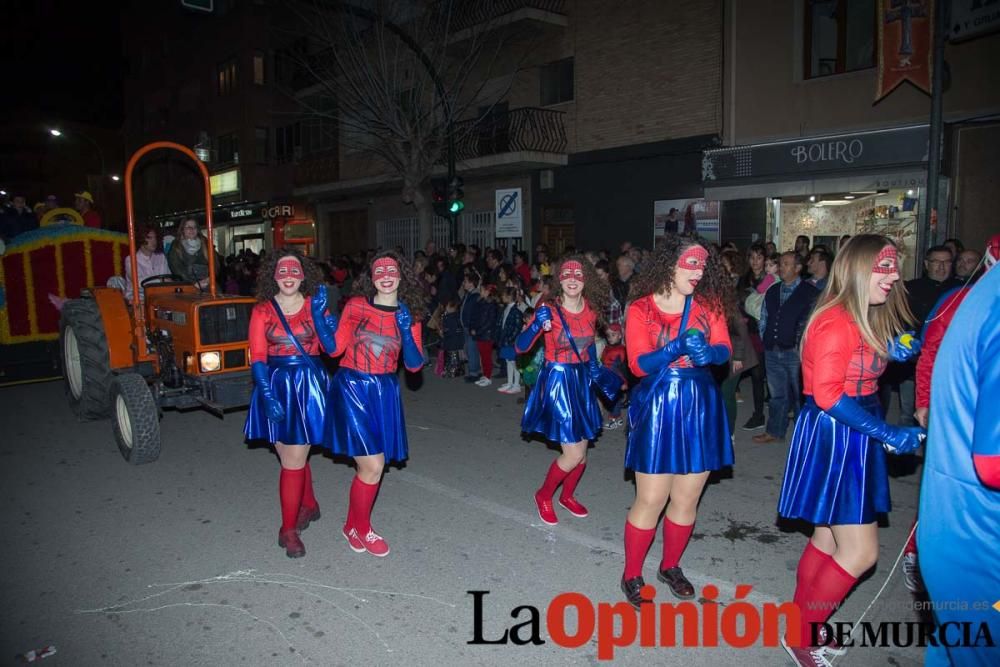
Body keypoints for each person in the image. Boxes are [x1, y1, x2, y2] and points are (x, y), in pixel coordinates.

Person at [776, 234, 925, 665]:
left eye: (894, 266)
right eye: (883, 267)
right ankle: (802, 633)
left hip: (851, 426)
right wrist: (886, 432)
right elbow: (825, 393)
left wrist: (893, 351)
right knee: (860, 552)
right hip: (837, 432)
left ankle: (805, 626)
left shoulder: (866, 313)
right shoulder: (836, 319)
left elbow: (857, 368)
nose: (894, 275)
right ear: (858, 269)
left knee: (826, 538)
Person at [620, 236, 733, 608]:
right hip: (658, 404)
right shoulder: (640, 308)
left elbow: (725, 352)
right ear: (670, 264)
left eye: (703, 265)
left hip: (699, 403)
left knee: (687, 497)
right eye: (691, 264)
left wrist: (709, 352)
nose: (698, 272)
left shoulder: (709, 305)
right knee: (651, 498)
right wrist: (672, 349)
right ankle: (632, 573)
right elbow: (637, 364)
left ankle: (670, 566)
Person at [917, 237, 1000, 667]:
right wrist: (925, 398)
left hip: (958, 524)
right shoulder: (971, 300)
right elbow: (994, 462)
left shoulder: (980, 294)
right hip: (980, 537)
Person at [311, 251, 426, 558]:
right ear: (372, 278)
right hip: (352, 387)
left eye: (392, 270)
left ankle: (351, 524)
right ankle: (363, 528)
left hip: (384, 391)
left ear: (401, 277)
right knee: (373, 465)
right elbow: (333, 349)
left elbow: (414, 366)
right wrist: (319, 319)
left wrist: (405, 331)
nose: (386, 275)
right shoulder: (357, 306)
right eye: (380, 270)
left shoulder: (409, 314)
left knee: (371, 468)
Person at [244, 249, 330, 558]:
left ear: (304, 275)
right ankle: (309, 504)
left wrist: (321, 317)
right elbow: (257, 355)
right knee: (289, 455)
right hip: (275, 384)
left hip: (307, 385)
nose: (289, 277)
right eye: (283, 271)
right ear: (273, 276)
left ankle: (288, 529)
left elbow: (331, 349)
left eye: (295, 271)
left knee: (293, 459)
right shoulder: (262, 310)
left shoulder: (314, 305)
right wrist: (266, 394)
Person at [516, 255, 609, 526]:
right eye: (566, 275)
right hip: (557, 380)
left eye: (577, 276)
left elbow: (589, 344)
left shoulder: (590, 309)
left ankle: (566, 495)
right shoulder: (549, 310)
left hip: (580, 381)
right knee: (573, 453)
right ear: (560, 280)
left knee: (583, 450)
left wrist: (595, 370)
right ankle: (543, 495)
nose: (572, 280)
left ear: (585, 281)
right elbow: (520, 348)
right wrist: (534, 324)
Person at [752, 252, 819, 444]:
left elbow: (812, 324)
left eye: (786, 264)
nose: (781, 267)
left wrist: (803, 348)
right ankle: (775, 431)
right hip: (773, 350)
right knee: (777, 395)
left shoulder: (810, 293)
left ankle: (803, 435)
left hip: (795, 352)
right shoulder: (773, 290)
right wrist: (766, 339)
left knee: (800, 396)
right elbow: (764, 317)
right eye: (780, 263)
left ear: (798, 268)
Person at [109, 226, 170, 302]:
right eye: (149, 238)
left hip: (158, 296)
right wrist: (160, 281)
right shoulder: (131, 260)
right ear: (141, 240)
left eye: (155, 238)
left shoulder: (161, 257)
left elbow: (168, 278)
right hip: (138, 298)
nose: (154, 241)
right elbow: (138, 282)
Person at [167, 218, 220, 289]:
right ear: (182, 229)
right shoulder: (176, 246)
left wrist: (210, 278)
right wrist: (193, 284)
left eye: (194, 227)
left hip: (207, 283)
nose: (192, 229)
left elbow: (215, 263)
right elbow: (176, 268)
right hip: (186, 285)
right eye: (188, 227)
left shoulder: (205, 243)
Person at [495, 286, 524, 394]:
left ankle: (516, 384)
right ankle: (510, 382)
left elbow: (516, 328)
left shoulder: (516, 311)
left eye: (503, 295)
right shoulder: (506, 308)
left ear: (509, 296)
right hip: (505, 340)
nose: (502, 297)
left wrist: (510, 339)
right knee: (508, 361)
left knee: (513, 362)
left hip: (511, 342)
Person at [600, 323, 627, 430]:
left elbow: (622, 369)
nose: (610, 338)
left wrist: (624, 382)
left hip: (616, 379)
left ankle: (614, 419)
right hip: (608, 377)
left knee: (614, 400)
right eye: (608, 335)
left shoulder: (620, 350)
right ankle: (618, 418)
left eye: (613, 335)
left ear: (620, 335)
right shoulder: (608, 348)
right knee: (612, 399)